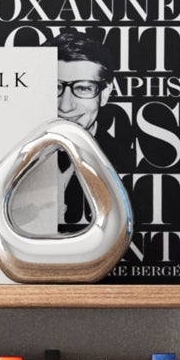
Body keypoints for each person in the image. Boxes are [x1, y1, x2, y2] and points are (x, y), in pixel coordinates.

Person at [51, 27, 121, 232]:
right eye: (55, 87)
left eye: (83, 88)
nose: (65, 106)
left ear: (106, 92)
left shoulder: (131, 161)